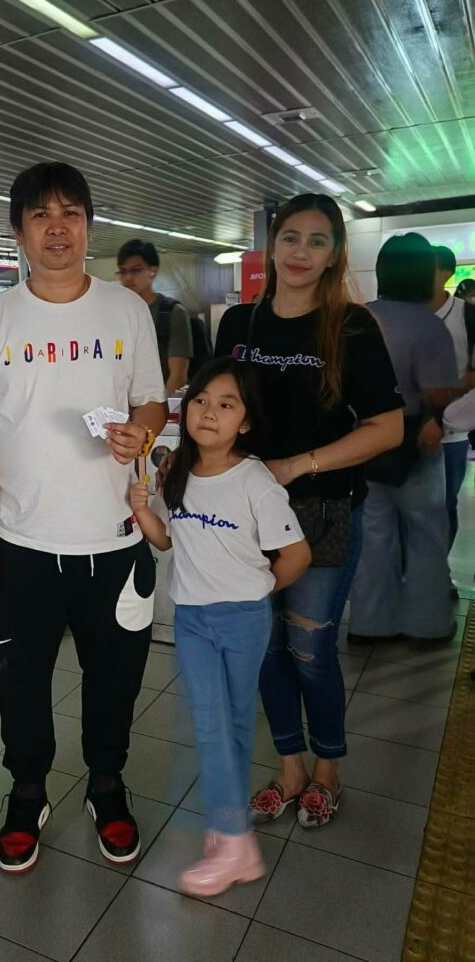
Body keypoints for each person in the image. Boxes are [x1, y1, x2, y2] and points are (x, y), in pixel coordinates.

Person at [0, 162, 167, 873]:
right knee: (20, 682)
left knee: (115, 679)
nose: (56, 228)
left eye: (70, 213)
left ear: (88, 227)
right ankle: (27, 791)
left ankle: (106, 785)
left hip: (115, 542)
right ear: (17, 231)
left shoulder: (125, 311)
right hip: (19, 545)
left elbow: (151, 400)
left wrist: (141, 429)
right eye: (40, 215)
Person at [214, 192, 403, 828]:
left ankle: (328, 769)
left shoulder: (351, 329)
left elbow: (387, 428)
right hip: (247, 518)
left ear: (333, 255)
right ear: (272, 246)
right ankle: (290, 767)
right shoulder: (239, 324)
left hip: (322, 513)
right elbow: (219, 408)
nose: (301, 251)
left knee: (309, 649)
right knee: (264, 647)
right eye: (291, 237)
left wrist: (297, 465)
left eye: (317, 241)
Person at [130, 358, 310, 897]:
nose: (209, 413)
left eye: (226, 405)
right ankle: (233, 836)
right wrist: (142, 511)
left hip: (243, 619)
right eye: (202, 401)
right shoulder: (178, 472)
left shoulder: (255, 480)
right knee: (213, 725)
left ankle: (233, 840)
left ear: (245, 421)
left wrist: (256, 589)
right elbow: (166, 539)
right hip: (192, 621)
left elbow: (296, 555)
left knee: (229, 724)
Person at [349, 233, 459, 644]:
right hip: (417, 438)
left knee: (373, 534)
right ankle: (427, 625)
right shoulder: (428, 326)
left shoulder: (357, 318)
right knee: (426, 534)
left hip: (363, 440)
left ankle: (369, 624)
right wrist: (436, 418)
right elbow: (437, 393)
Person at [430, 245, 475, 552]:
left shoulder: (466, 315)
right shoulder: (404, 314)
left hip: (451, 435)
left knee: (445, 504)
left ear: (446, 272)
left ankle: (438, 566)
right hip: (407, 433)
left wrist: (442, 415)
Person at [117, 239, 194, 394]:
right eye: (123, 271)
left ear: (152, 271)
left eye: (136, 270)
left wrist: (162, 407)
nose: (128, 278)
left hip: (157, 402)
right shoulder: (117, 314)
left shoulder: (172, 313)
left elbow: (178, 375)